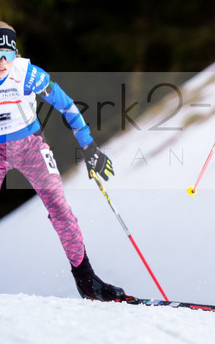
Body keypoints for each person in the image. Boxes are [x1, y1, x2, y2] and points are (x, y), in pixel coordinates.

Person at [0, 21, 126, 301]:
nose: (2, 63)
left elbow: (67, 105)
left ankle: (87, 281)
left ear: (15, 54)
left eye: (6, 55)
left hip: (30, 146)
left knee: (59, 207)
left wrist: (89, 147)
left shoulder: (28, 75)